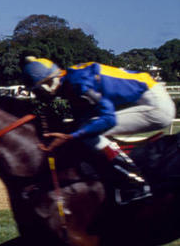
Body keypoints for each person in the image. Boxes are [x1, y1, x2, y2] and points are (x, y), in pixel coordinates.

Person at [21, 56, 176, 203]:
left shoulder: (79, 83)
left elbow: (108, 118)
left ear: (49, 83)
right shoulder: (70, 79)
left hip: (156, 106)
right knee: (83, 127)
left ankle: (135, 182)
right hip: (144, 97)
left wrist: (71, 136)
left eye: (37, 91)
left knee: (87, 134)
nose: (38, 96)